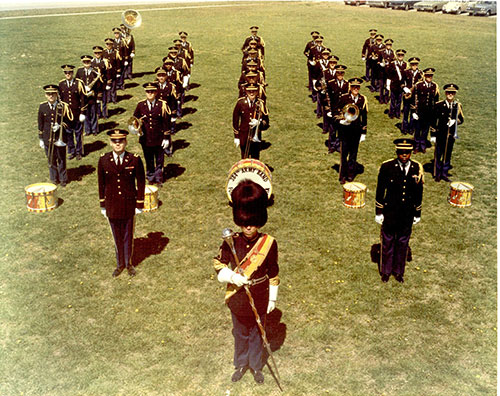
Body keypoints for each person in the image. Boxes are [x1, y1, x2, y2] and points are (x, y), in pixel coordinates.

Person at [214, 179, 279, 384]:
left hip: (260, 295)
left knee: (258, 334)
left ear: (259, 219)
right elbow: (219, 266)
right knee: (240, 333)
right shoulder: (231, 241)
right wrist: (233, 277)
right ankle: (241, 363)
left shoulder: (269, 243)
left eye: (252, 222)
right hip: (238, 296)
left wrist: (272, 300)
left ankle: (256, 366)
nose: (248, 226)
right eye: (243, 222)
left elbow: (274, 273)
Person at [375, 138, 423, 283]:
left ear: (411, 153)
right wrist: (379, 212)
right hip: (390, 212)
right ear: (396, 152)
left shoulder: (416, 168)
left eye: (407, 153)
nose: (404, 155)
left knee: (402, 243)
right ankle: (386, 271)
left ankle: (398, 272)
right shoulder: (387, 167)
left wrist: (417, 213)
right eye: (401, 152)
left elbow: (419, 192)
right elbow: (380, 190)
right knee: (388, 242)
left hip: (407, 214)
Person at [98, 129, 145, 277]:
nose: (117, 144)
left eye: (120, 141)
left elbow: (141, 182)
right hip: (112, 205)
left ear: (125, 142)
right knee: (116, 235)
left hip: (128, 205)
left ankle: (129, 263)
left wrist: (139, 204)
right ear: (110, 143)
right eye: (114, 142)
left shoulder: (134, 159)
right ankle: (120, 264)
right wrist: (102, 205)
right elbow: (101, 184)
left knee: (127, 235)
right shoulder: (104, 160)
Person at [130, 82, 171, 184]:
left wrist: (166, 137)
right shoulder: (140, 105)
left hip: (159, 137)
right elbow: (134, 120)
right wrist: (137, 126)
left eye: (152, 92)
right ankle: (150, 177)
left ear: (156, 92)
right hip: (146, 138)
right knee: (148, 159)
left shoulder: (162, 105)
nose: (150, 94)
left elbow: (166, 122)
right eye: (148, 92)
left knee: (159, 160)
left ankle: (159, 178)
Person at [37, 84, 73, 187]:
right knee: (51, 159)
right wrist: (41, 139)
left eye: (53, 94)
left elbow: (69, 122)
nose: (51, 96)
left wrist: (60, 126)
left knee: (61, 159)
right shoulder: (42, 107)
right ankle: (53, 178)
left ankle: (63, 179)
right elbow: (40, 123)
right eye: (48, 94)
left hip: (60, 137)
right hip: (48, 137)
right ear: (46, 95)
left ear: (57, 94)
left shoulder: (63, 106)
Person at [335, 77, 368, 184]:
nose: (356, 89)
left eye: (357, 87)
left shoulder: (362, 99)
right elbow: (336, 111)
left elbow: (364, 117)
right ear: (350, 87)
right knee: (344, 154)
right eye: (354, 87)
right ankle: (342, 176)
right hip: (345, 131)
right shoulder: (344, 98)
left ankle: (350, 174)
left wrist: (363, 132)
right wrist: (340, 121)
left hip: (356, 131)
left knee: (353, 154)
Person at [431, 83, 464, 182]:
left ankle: (444, 173)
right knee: (438, 154)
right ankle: (437, 174)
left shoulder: (457, 105)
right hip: (440, 134)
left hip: (450, 136)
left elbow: (461, 119)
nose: (450, 94)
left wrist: (455, 121)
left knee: (447, 154)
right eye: (449, 92)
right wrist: (433, 135)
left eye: (452, 93)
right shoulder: (439, 105)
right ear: (445, 93)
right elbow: (433, 120)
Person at [232, 84, 270, 160]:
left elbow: (267, 123)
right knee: (244, 159)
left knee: (255, 159)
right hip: (244, 136)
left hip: (256, 138)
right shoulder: (240, 103)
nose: (251, 93)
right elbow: (235, 120)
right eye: (249, 91)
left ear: (257, 92)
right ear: (246, 91)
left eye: (254, 91)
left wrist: (259, 123)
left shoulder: (260, 104)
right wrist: (236, 137)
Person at [58, 64, 86, 160]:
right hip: (66, 115)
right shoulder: (61, 84)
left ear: (72, 73)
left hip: (77, 113)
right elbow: (60, 99)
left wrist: (82, 112)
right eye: (66, 73)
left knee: (78, 133)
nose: (68, 74)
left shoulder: (78, 83)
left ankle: (79, 152)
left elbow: (83, 98)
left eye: (69, 72)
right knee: (68, 133)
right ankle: (71, 151)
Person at [412, 67, 439, 153]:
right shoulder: (418, 85)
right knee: (417, 129)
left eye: (431, 76)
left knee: (425, 130)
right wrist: (413, 112)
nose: (429, 77)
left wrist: (434, 112)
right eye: (427, 76)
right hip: (419, 112)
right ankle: (416, 145)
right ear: (424, 76)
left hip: (429, 113)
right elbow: (413, 98)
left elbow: (436, 100)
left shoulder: (434, 86)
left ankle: (422, 145)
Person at [75, 55, 101, 136]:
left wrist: (98, 96)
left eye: (88, 62)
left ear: (90, 62)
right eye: (84, 62)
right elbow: (77, 82)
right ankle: (87, 130)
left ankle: (94, 130)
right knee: (85, 113)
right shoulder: (79, 71)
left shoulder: (95, 71)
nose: (86, 63)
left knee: (93, 113)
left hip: (92, 96)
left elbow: (99, 85)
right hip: (83, 97)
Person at [401, 57, 423, 134]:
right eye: (413, 64)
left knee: (413, 113)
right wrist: (405, 89)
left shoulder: (420, 73)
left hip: (415, 97)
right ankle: (404, 129)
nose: (414, 65)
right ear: (410, 64)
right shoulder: (406, 72)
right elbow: (402, 83)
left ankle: (411, 129)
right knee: (406, 112)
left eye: (416, 64)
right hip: (407, 95)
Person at [386, 49, 407, 119]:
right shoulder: (392, 64)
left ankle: (397, 113)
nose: (400, 56)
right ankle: (391, 113)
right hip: (394, 85)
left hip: (401, 86)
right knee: (393, 100)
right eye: (399, 55)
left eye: (402, 55)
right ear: (397, 56)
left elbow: (406, 76)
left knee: (399, 100)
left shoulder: (405, 64)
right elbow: (389, 75)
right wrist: (388, 85)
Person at [91, 46, 109, 119]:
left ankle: (105, 114)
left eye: (99, 53)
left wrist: (108, 83)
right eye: (96, 53)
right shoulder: (92, 62)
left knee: (104, 100)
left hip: (103, 83)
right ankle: (98, 113)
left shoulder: (104, 61)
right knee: (96, 100)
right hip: (95, 85)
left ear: (101, 53)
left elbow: (108, 73)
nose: (97, 54)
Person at [103, 37, 122, 104]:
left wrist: (118, 71)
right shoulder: (103, 52)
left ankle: (114, 99)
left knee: (113, 87)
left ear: (112, 44)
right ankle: (108, 99)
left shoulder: (115, 52)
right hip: (105, 73)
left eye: (110, 44)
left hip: (113, 73)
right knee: (107, 86)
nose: (108, 45)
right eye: (107, 44)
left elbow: (118, 62)